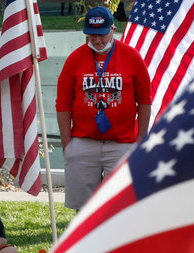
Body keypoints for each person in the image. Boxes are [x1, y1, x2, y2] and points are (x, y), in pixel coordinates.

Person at [56, 6, 152, 211]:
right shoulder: (75, 58)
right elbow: (63, 103)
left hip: (122, 143)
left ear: (113, 29)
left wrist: (141, 138)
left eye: (102, 34)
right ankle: (85, 243)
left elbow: (144, 100)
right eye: (92, 35)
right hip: (83, 142)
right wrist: (67, 142)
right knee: (83, 209)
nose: (97, 40)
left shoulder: (132, 57)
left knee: (119, 206)